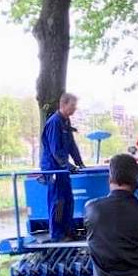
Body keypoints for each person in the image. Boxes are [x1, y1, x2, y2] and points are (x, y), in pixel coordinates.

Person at [40, 92, 84, 241]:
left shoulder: (66, 121)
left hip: (62, 168)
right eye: (73, 105)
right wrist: (67, 165)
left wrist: (79, 162)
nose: (75, 109)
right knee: (58, 201)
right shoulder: (54, 122)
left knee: (68, 199)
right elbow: (55, 149)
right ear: (64, 104)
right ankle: (57, 235)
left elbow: (71, 145)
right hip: (54, 168)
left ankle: (68, 230)